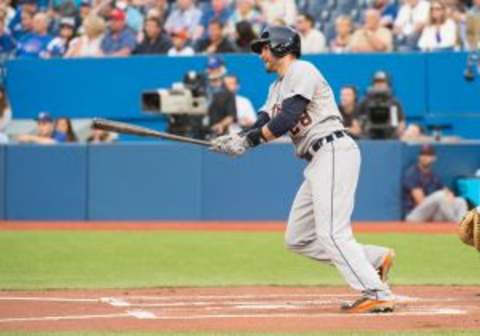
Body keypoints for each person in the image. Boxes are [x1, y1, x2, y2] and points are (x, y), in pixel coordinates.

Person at [211, 26, 396, 313]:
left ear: (281, 47)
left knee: (332, 232)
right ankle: (373, 260)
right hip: (318, 160)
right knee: (298, 237)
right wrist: (236, 138)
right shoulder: (276, 86)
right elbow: (263, 122)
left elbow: (287, 118)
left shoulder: (303, 69)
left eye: (264, 47)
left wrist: (246, 142)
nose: (261, 54)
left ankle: (376, 292)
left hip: (333, 149)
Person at [403, 144, 468, 222]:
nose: (425, 157)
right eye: (423, 154)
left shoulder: (433, 176)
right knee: (440, 196)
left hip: (432, 213)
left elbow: (447, 193)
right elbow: (420, 201)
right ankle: (454, 223)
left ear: (434, 158)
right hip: (415, 215)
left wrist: (449, 198)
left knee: (460, 201)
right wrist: (442, 200)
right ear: (419, 157)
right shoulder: (412, 173)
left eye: (428, 155)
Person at [357, 70, 405, 139]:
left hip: (389, 137)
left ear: (388, 84)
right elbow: (356, 121)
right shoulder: (364, 102)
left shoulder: (394, 103)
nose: (379, 85)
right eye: (377, 82)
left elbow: (401, 122)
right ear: (373, 84)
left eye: (382, 82)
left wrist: (397, 132)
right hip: (368, 137)